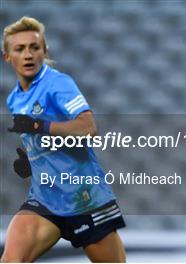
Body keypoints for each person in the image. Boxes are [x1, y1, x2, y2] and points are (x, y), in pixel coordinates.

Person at [2, 16, 126, 262]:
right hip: (45, 198)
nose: (28, 54)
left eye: (34, 47)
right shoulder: (14, 98)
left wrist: (40, 125)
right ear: (8, 57)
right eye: (20, 49)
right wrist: (31, 160)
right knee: (11, 260)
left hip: (84, 198)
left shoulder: (58, 83)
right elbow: (43, 139)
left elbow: (88, 127)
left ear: (44, 50)